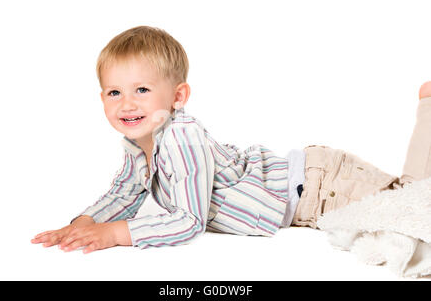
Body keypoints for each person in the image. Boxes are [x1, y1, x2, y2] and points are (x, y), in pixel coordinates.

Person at [31, 25, 431, 253]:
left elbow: (188, 221)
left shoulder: (182, 137)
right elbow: (125, 191)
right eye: (114, 92)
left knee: (412, 204)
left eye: (141, 90)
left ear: (178, 97)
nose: (126, 104)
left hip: (319, 184)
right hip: (307, 195)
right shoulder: (138, 146)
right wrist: (84, 223)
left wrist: (116, 234)